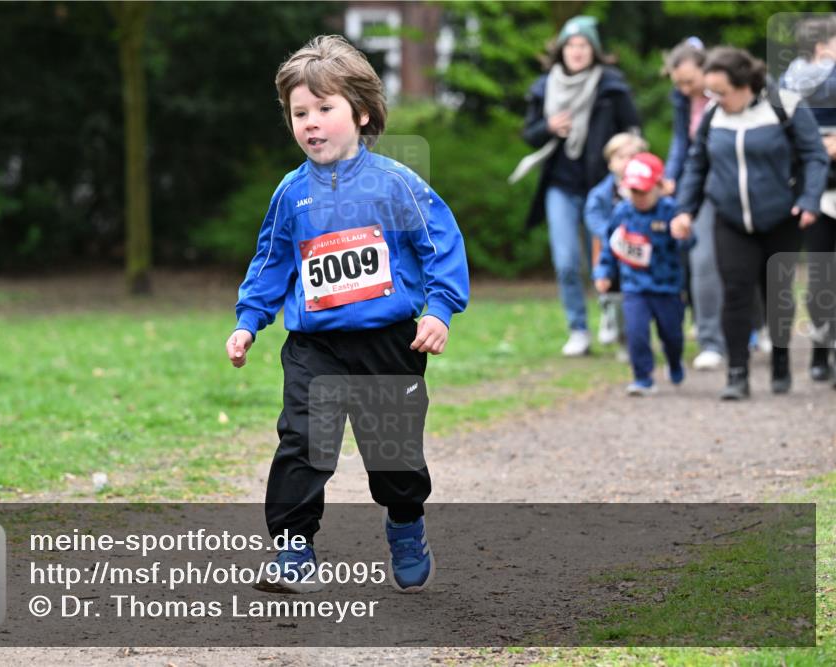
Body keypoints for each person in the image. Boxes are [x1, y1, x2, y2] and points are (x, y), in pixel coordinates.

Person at [226, 35, 469, 593]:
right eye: (299, 112)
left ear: (360, 112)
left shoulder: (396, 184)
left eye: (324, 109)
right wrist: (247, 321)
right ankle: (294, 550)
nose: (311, 123)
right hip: (316, 348)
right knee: (303, 442)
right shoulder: (291, 194)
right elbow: (270, 263)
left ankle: (405, 523)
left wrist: (440, 310)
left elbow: (441, 246)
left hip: (388, 342)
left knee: (395, 460)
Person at [672, 47, 829, 400]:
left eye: (721, 92)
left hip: (781, 218)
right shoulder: (715, 115)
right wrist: (684, 210)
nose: (714, 99)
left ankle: (780, 361)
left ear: (745, 85)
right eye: (711, 92)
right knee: (736, 291)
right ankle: (737, 374)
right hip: (730, 218)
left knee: (778, 295)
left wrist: (808, 200)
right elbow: (697, 164)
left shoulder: (784, 105)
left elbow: (814, 156)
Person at [510, 15, 641, 357]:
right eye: (571, 44)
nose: (577, 51)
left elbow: (634, 130)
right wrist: (549, 127)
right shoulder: (544, 86)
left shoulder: (611, 85)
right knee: (567, 262)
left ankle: (618, 328)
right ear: (561, 50)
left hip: (603, 188)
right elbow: (529, 134)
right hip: (560, 187)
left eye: (583, 45)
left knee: (609, 260)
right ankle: (578, 330)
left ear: (593, 50)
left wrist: (625, 162)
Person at [594, 153, 692, 395]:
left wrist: (683, 234)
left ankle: (674, 361)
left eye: (643, 191)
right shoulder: (622, 212)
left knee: (672, 335)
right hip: (634, 286)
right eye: (633, 191)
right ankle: (642, 378)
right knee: (636, 332)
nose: (638, 197)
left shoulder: (671, 210)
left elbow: (689, 245)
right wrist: (603, 272)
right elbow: (610, 245)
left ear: (659, 186)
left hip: (667, 288)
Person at [664, 37, 728, 372]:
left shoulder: (730, 92)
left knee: (739, 261)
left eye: (690, 81)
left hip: (732, 183)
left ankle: (751, 326)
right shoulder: (682, 98)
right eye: (679, 83)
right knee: (700, 258)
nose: (685, 88)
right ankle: (710, 341)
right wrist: (670, 177)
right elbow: (682, 142)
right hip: (699, 181)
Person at [781, 16, 836, 384]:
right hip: (818, 193)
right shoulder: (789, 86)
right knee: (820, 282)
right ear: (821, 47)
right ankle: (820, 350)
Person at [584, 133, 649, 354]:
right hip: (612, 255)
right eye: (621, 157)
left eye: (633, 156)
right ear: (611, 162)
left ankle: (637, 337)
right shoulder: (601, 195)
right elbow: (594, 219)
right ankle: (616, 327)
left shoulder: (650, 191)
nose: (627, 161)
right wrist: (614, 237)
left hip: (643, 256)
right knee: (616, 296)